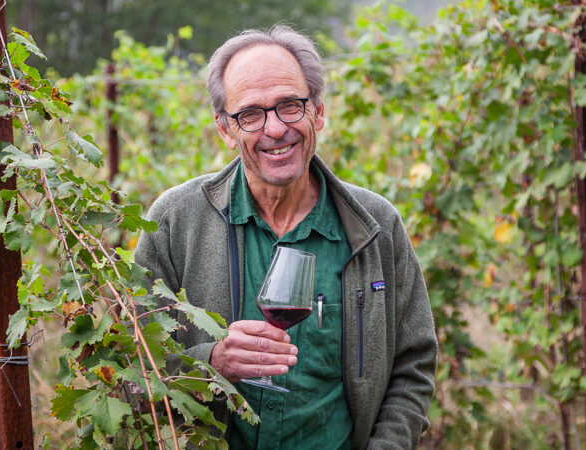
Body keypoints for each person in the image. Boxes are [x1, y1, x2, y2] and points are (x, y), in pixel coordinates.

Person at [135, 24, 437, 449]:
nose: (275, 129)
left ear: (318, 112)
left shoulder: (377, 226)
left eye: (289, 105)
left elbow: (413, 366)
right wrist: (214, 362)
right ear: (225, 129)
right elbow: (131, 369)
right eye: (251, 114)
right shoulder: (174, 222)